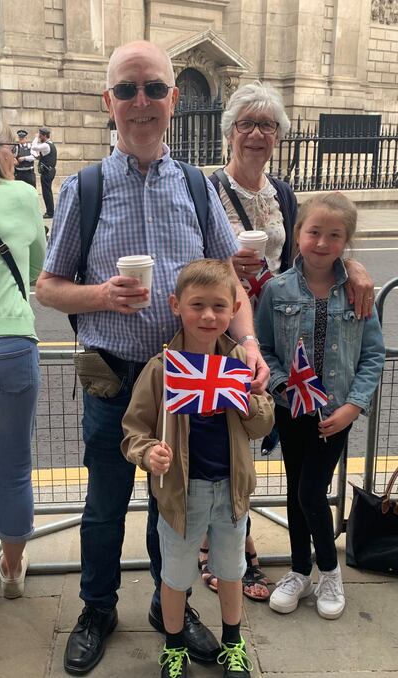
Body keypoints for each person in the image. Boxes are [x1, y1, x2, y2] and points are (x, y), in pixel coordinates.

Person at [35, 40, 269, 676]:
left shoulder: (196, 186)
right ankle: (96, 608)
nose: (143, 101)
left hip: (192, 384)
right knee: (105, 506)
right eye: (129, 90)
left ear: (173, 99)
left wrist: (246, 344)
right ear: (109, 101)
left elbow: (228, 279)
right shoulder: (84, 187)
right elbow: (49, 286)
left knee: (178, 507)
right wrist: (102, 295)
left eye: (156, 89)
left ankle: (173, 610)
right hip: (115, 383)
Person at [201, 80, 376, 602]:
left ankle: (301, 566)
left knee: (268, 446)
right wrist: (223, 267)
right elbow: (188, 262)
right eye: (247, 124)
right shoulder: (205, 188)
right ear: (229, 131)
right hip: (224, 330)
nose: (257, 134)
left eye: (268, 125)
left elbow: (314, 246)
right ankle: (230, 553)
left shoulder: (281, 193)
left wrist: (354, 264)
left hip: (277, 327)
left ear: (278, 135)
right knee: (223, 445)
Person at [121, 259, 275, 677]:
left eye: (219, 307)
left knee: (231, 571)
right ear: (176, 305)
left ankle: (233, 642)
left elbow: (261, 425)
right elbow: (133, 430)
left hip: (231, 491)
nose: (208, 316)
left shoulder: (239, 363)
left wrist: (251, 398)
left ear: (232, 310)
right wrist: (149, 452)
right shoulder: (162, 369)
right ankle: (173, 648)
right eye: (197, 305)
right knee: (175, 576)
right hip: (180, 495)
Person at [256, 192, 385, 620]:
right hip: (293, 409)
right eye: (314, 232)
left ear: (346, 242)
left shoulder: (357, 292)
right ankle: (298, 570)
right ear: (298, 234)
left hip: (335, 413)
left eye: (335, 235)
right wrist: (280, 385)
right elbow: (265, 350)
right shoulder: (276, 290)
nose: (322, 242)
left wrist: (352, 407)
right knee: (298, 492)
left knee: (312, 491)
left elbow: (371, 355)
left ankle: (328, 569)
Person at [0, 120, 46, 599]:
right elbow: (36, 267)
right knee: (12, 466)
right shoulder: (21, 197)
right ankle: (11, 570)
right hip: (10, 341)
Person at [31, 127, 57, 218]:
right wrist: (39, 158)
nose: (40, 137)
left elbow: (34, 147)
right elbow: (46, 156)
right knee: (48, 191)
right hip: (50, 170)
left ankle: (50, 213)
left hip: (47, 172)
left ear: (45, 136)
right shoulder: (50, 144)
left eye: (40, 135)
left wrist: (35, 138)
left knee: (46, 193)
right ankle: (50, 211)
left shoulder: (46, 145)